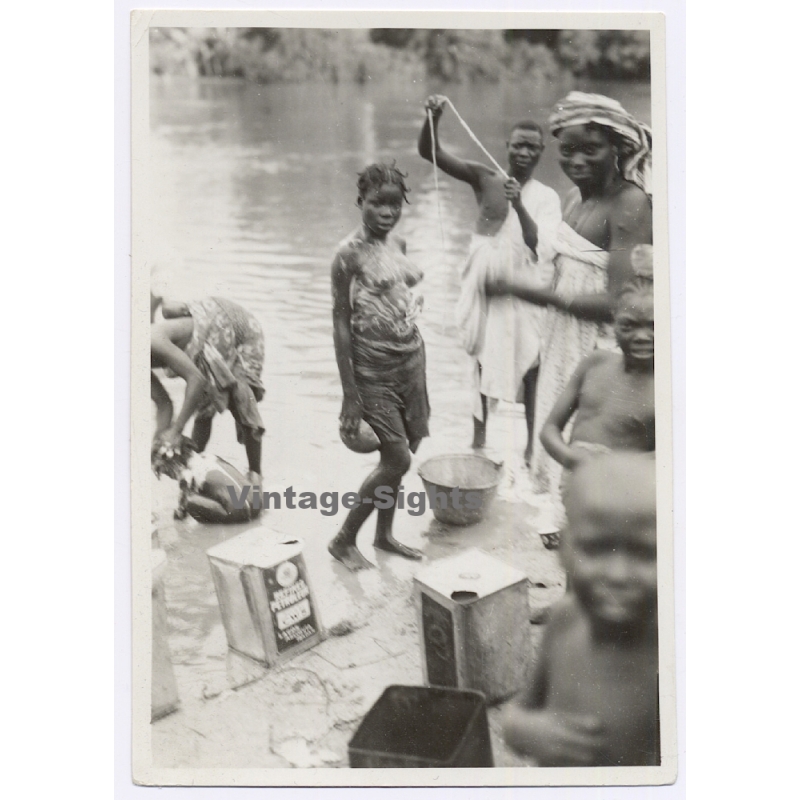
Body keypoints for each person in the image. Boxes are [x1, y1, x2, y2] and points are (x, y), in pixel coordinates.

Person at [486, 92, 653, 508]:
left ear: (618, 148)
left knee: (592, 453)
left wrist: (526, 291)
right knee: (560, 449)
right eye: (568, 150)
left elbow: (621, 303)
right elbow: (563, 266)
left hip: (600, 350)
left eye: (590, 150)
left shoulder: (630, 203)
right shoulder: (577, 199)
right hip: (563, 343)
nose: (577, 160)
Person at [418, 95, 561, 464]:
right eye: (519, 145)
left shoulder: (547, 198)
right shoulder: (485, 178)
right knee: (482, 359)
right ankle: (478, 443)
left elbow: (539, 245)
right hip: (485, 285)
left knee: (531, 361)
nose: (524, 153)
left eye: (532, 147)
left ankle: (530, 447)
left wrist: (519, 204)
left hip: (523, 286)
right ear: (507, 146)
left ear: (541, 152)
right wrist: (433, 117)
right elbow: (430, 153)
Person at [501, 452, 659, 767]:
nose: (617, 574)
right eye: (596, 548)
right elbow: (518, 713)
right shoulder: (564, 621)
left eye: (644, 552)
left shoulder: (668, 658)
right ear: (564, 551)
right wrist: (529, 731)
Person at [327, 163, 428, 571]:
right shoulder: (347, 254)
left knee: (405, 450)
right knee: (397, 460)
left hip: (411, 361)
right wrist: (350, 394)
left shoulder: (399, 243)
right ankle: (343, 540)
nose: (387, 212)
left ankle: (383, 536)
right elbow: (340, 322)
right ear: (360, 202)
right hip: (373, 370)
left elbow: (397, 292)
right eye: (377, 203)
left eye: (394, 204)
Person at [539, 280, 655, 528]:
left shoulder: (670, 386)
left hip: (628, 496)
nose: (642, 336)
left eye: (654, 326)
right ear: (614, 323)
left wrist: (611, 468)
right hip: (576, 482)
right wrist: (574, 460)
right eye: (629, 325)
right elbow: (549, 429)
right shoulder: (594, 363)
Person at [150, 296, 265, 487]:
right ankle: (195, 471)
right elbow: (164, 405)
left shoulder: (152, 340)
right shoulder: (132, 366)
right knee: (204, 408)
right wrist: (159, 446)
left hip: (236, 325)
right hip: (203, 344)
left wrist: (176, 431)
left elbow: (196, 379)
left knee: (242, 398)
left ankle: (256, 474)